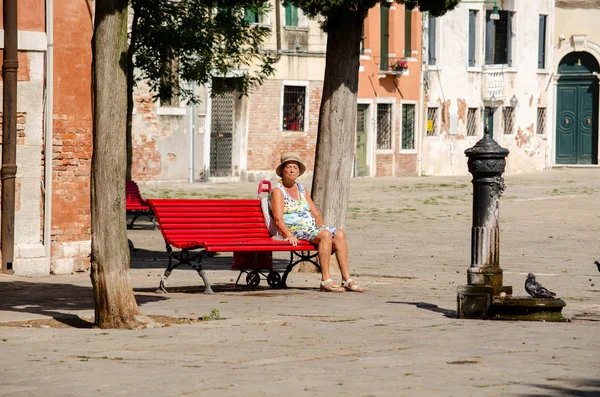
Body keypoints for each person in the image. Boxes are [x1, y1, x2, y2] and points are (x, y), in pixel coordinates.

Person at [269, 152, 364, 293]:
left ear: (299, 171)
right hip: (294, 229)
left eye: (295, 167)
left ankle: (346, 278)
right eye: (288, 167)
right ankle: (326, 280)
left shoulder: (301, 189)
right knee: (325, 235)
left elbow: (316, 213)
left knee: (339, 234)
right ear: (282, 170)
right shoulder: (278, 190)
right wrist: (288, 234)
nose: (292, 170)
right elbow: (278, 218)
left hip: (309, 228)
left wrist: (318, 227)